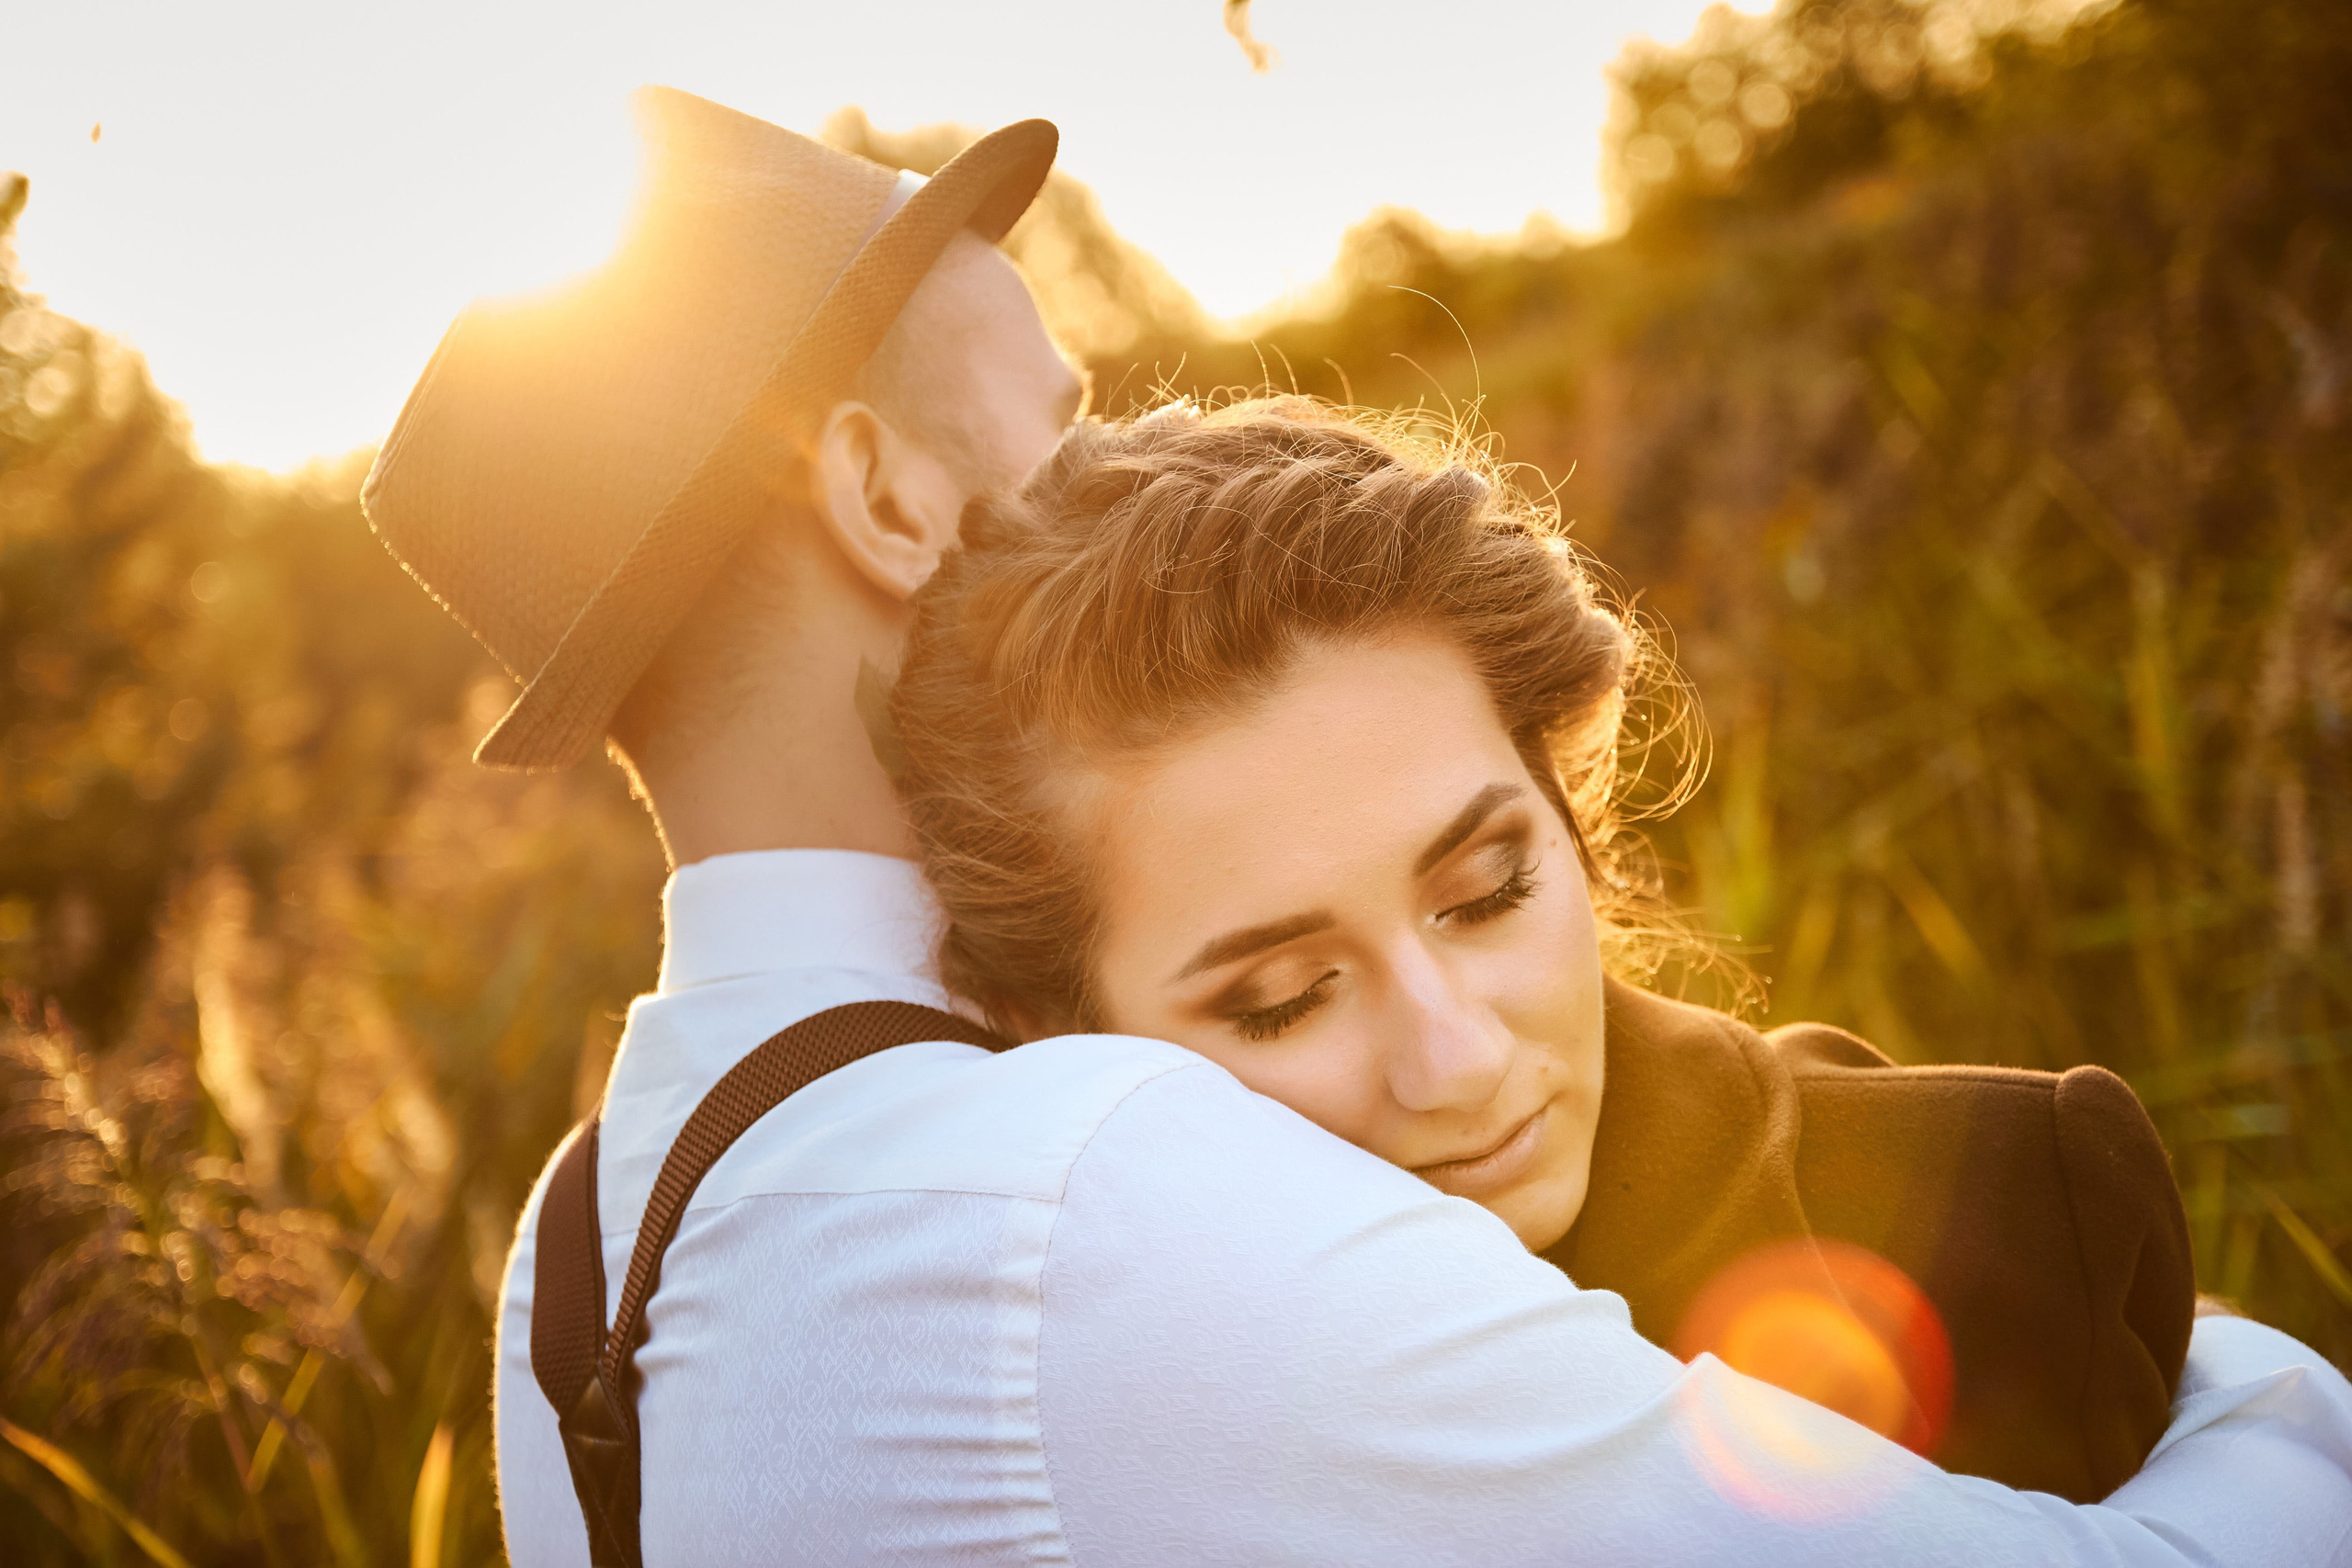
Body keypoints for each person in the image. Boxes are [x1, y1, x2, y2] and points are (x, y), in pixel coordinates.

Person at [363, 90, 2352, 1566]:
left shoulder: (584, 1239)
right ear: (882, 498)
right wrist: (2263, 1393)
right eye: (1057, 432)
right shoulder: (1085, 1188)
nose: (1115, 476)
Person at [887, 398, 2199, 1501]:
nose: (1456, 1059)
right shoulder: (1066, 1446)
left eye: (1487, 891)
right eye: (1284, 1000)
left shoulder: (2024, 1226)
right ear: (1058, 1042)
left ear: (1564, 817)